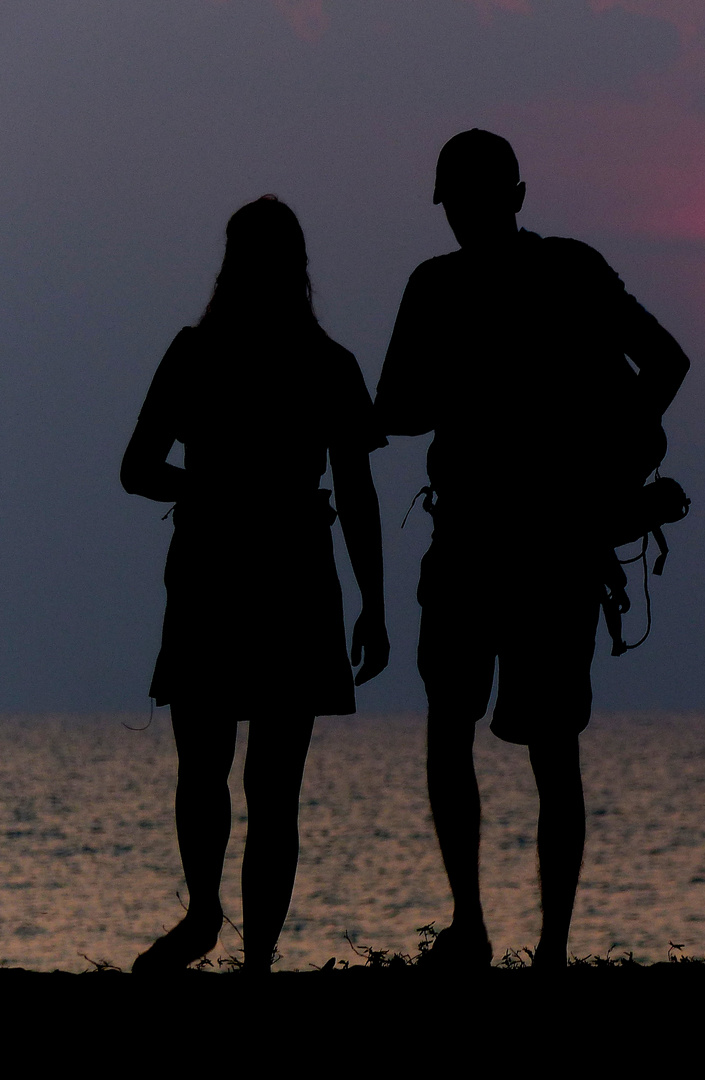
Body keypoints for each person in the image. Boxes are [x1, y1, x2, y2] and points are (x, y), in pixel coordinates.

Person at [375, 130, 689, 969]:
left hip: (505, 542)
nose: (463, 219)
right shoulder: (560, 272)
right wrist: (611, 457)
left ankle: (500, 934)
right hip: (529, 542)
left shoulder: (453, 283)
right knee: (529, 745)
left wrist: (610, 458)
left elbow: (395, 409)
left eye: (468, 203)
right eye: (459, 206)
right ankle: (519, 941)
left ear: (509, 199)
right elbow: (663, 360)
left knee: (479, 734)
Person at [121, 195, 390, 973]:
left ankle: (224, 929)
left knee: (223, 771)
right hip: (277, 572)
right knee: (263, 782)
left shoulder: (203, 353)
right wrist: (371, 600)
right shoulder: (322, 363)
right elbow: (358, 493)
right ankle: (246, 950)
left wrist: (201, 491)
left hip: (236, 571)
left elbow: (139, 471)